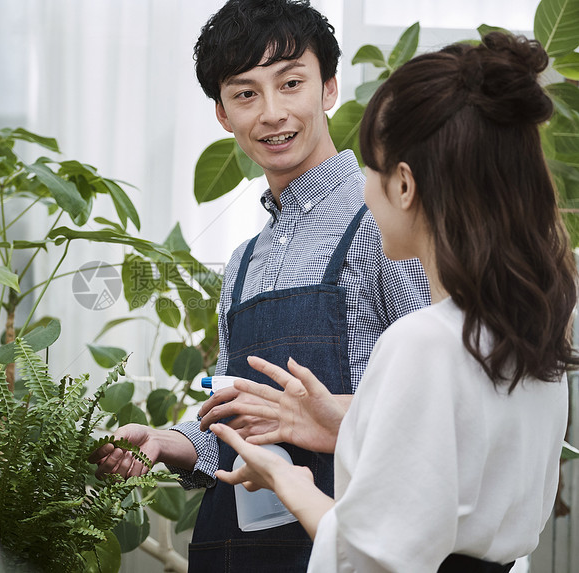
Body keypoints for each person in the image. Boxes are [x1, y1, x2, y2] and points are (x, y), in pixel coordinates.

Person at [211, 32, 576, 572]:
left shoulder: (422, 340)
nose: (363, 188)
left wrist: (286, 479)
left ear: (403, 186)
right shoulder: (529, 339)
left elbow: (366, 557)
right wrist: (346, 421)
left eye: (373, 171)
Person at [89, 0, 429, 569]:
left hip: (349, 542)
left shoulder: (384, 221)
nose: (272, 113)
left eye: (290, 83)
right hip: (238, 550)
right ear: (223, 114)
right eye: (245, 93)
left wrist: (321, 418)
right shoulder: (245, 260)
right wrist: (165, 443)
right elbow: (233, 413)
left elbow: (431, 408)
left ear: (328, 88)